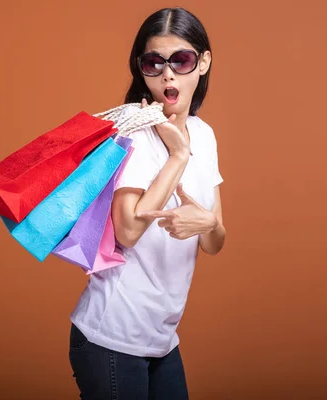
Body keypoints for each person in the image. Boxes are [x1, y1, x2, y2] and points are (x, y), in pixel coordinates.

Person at [69, 7, 225, 399]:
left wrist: (206, 222)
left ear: (203, 62)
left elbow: (215, 241)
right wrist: (177, 157)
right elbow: (128, 231)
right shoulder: (134, 135)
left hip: (161, 336)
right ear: (142, 70)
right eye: (154, 62)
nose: (168, 74)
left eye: (181, 60)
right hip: (112, 335)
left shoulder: (205, 136)